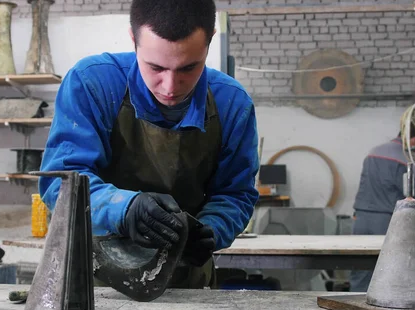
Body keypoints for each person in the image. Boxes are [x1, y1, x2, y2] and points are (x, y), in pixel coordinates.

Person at [38, 0, 260, 289]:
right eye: (156, 67)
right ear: (134, 39)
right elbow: (62, 184)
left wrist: (213, 228)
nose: (170, 87)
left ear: (209, 42)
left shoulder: (232, 103)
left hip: (186, 283)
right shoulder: (93, 83)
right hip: (93, 284)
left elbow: (235, 193)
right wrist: (124, 208)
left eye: (188, 68)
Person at [349, 126, 415, 292]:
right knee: (390, 273)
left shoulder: (373, 152)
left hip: (361, 219)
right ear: (414, 140)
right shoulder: (408, 158)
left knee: (361, 270)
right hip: (386, 222)